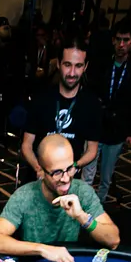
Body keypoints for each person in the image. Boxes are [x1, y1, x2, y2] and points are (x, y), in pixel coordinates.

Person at [0, 134, 119, 262]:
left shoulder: (82, 192)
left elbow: (113, 240)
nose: (65, 178)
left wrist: (82, 217)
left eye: (70, 169)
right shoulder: (24, 196)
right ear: (41, 170)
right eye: (57, 172)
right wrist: (43, 249)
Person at [20, 37, 103, 179]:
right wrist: (38, 169)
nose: (72, 73)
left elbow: (92, 150)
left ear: (85, 67)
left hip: (69, 179)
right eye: (67, 65)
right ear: (58, 64)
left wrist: (75, 166)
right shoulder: (41, 98)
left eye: (78, 66)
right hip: (38, 176)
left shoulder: (91, 104)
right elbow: (26, 145)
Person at [84, 18, 131, 205]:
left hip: (117, 130)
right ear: (113, 40)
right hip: (97, 127)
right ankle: (82, 206)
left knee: (106, 176)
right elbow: (91, 91)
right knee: (88, 173)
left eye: (126, 40)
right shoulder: (102, 64)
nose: (121, 44)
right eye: (118, 39)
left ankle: (98, 207)